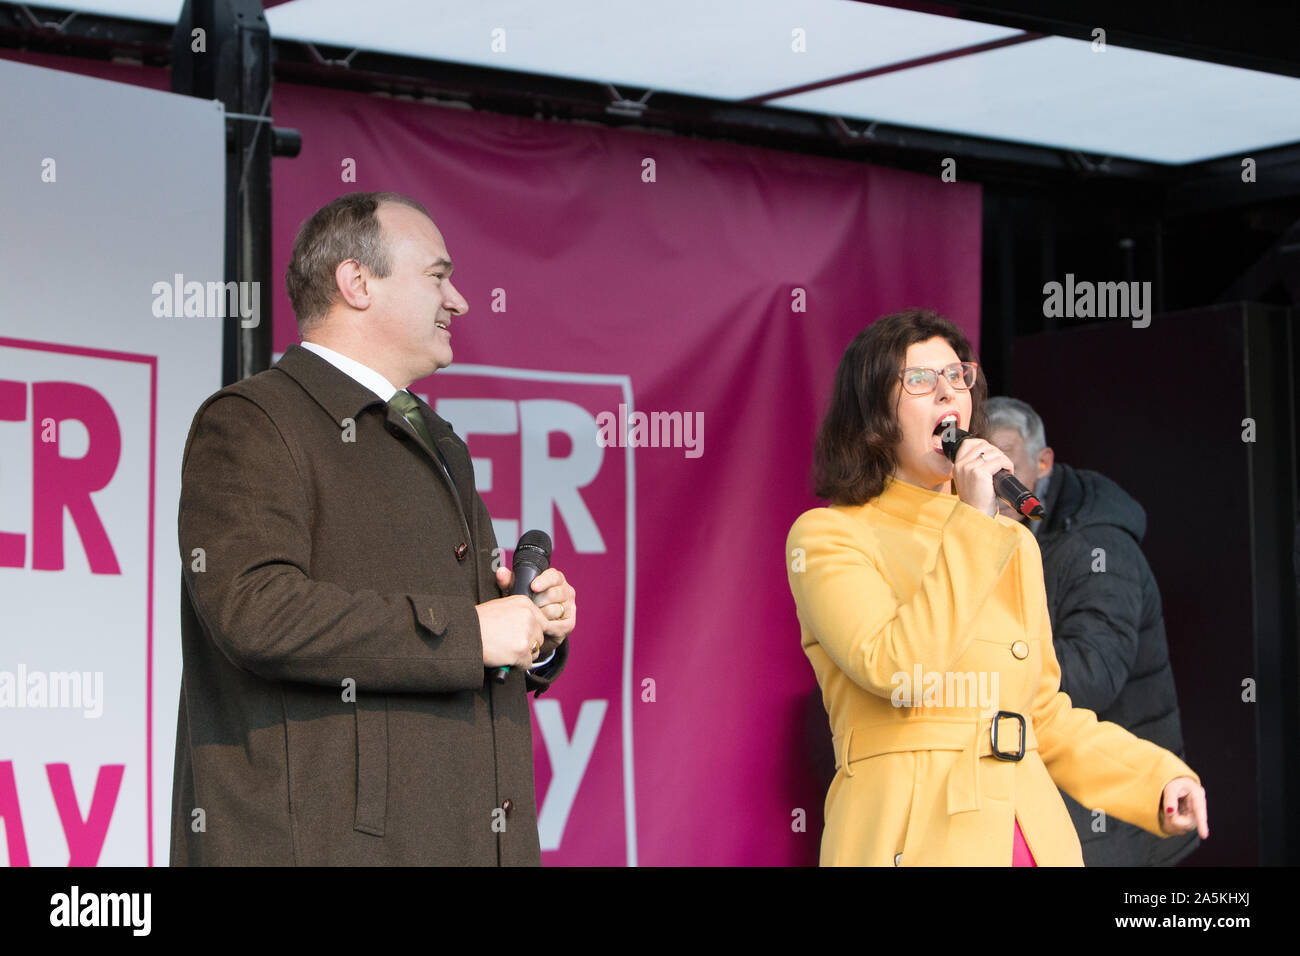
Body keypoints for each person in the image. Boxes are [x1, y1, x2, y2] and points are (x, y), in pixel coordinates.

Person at [171, 191, 577, 865]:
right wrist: (474, 630)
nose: (460, 301)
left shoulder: (435, 437)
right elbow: (254, 611)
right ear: (356, 283)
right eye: (438, 276)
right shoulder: (251, 420)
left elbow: (455, 645)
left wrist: (532, 633)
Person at [784, 308, 1208, 866]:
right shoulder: (829, 537)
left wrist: (1151, 779)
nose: (947, 394)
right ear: (872, 417)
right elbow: (897, 669)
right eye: (919, 380)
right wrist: (975, 523)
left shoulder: (1010, 543)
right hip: (911, 837)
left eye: (958, 376)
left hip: (1028, 835)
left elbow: (1042, 715)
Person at [984, 396, 1199, 865]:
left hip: (1116, 815)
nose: (995, 484)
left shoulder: (1095, 545)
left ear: (1043, 464)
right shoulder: (1002, 533)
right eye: (983, 465)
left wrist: (990, 667)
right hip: (1073, 801)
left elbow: (1094, 673)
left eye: (1007, 464)